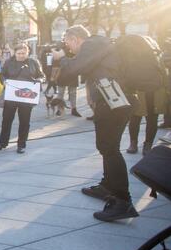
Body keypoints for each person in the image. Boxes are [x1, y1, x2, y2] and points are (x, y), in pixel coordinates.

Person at [52, 24, 138, 222]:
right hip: (112, 100)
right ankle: (107, 185)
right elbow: (70, 75)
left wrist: (62, 58)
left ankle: (122, 201)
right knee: (106, 146)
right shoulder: (99, 45)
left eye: (67, 43)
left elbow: (72, 70)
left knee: (109, 148)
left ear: (75, 38)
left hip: (114, 101)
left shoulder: (92, 44)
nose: (68, 48)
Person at [0, 44, 45, 153]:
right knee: (7, 120)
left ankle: (21, 144)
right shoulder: (9, 62)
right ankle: (2, 142)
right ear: (15, 52)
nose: (21, 56)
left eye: (24, 53)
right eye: (19, 53)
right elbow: (2, 74)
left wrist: (40, 80)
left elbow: (42, 75)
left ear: (27, 53)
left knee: (24, 121)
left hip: (26, 97)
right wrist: (3, 81)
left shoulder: (33, 62)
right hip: (11, 96)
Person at [126, 87, 166, 155]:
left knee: (152, 118)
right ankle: (133, 142)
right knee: (135, 117)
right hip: (136, 88)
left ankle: (148, 144)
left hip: (155, 89)